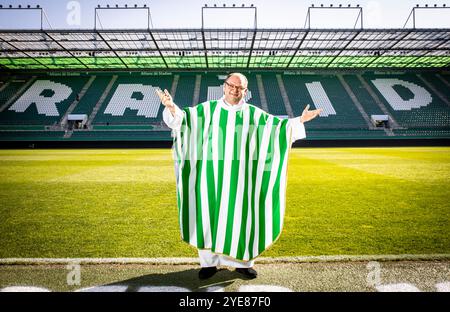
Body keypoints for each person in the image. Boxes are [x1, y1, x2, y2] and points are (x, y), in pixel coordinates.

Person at [157, 73, 322, 280]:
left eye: (240, 87)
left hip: (244, 180)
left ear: (246, 91)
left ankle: (243, 264)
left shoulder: (255, 114)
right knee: (209, 216)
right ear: (224, 87)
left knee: (243, 218)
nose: (235, 90)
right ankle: (209, 264)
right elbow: (182, 122)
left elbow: (278, 129)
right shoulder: (206, 111)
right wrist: (171, 107)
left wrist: (299, 120)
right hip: (210, 177)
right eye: (232, 86)